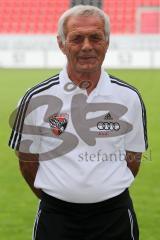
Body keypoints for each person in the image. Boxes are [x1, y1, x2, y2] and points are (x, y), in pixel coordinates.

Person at [9, 5, 148, 240]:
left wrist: (104, 189)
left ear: (107, 42)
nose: (87, 46)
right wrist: (60, 196)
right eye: (77, 38)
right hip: (56, 218)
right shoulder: (36, 98)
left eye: (95, 37)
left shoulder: (129, 97)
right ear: (61, 43)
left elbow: (133, 157)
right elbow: (27, 161)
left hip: (115, 217)